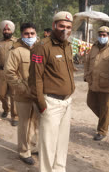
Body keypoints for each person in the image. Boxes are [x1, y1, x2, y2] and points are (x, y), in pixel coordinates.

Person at [29, 11, 75, 172]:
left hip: (67, 102)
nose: (65, 30)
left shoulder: (68, 46)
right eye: (61, 26)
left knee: (62, 142)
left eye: (68, 27)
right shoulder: (42, 47)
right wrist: (42, 105)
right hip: (50, 103)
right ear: (54, 25)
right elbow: (35, 78)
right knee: (48, 145)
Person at [5, 22, 39, 165]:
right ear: (22, 35)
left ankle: (33, 146)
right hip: (23, 94)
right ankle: (24, 152)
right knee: (24, 124)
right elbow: (10, 73)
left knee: (36, 123)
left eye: (32, 33)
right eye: (27, 34)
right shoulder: (16, 51)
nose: (30, 36)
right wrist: (24, 89)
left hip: (39, 94)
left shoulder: (40, 48)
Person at [84, 26, 109, 141]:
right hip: (93, 82)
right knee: (90, 103)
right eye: (100, 35)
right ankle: (108, 120)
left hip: (106, 83)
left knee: (104, 108)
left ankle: (102, 131)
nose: (102, 37)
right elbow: (87, 61)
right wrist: (86, 75)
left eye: (104, 35)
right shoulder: (94, 47)